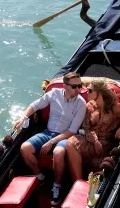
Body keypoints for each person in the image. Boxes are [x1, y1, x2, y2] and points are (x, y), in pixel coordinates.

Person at [13, 72, 86, 205]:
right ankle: (40, 177)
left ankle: (56, 186)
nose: (78, 89)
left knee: (58, 152)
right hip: (48, 132)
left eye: (79, 86)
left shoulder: (81, 103)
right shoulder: (54, 93)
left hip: (66, 136)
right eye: (74, 86)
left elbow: (72, 131)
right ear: (65, 86)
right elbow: (35, 105)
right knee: (25, 148)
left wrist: (51, 142)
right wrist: (23, 117)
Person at [65, 80, 120, 185]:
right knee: (71, 142)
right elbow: (86, 128)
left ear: (99, 93)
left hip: (106, 143)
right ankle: (78, 183)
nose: (87, 92)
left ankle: (95, 180)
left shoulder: (114, 107)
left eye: (90, 90)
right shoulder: (89, 106)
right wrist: (95, 141)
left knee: (102, 162)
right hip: (91, 140)